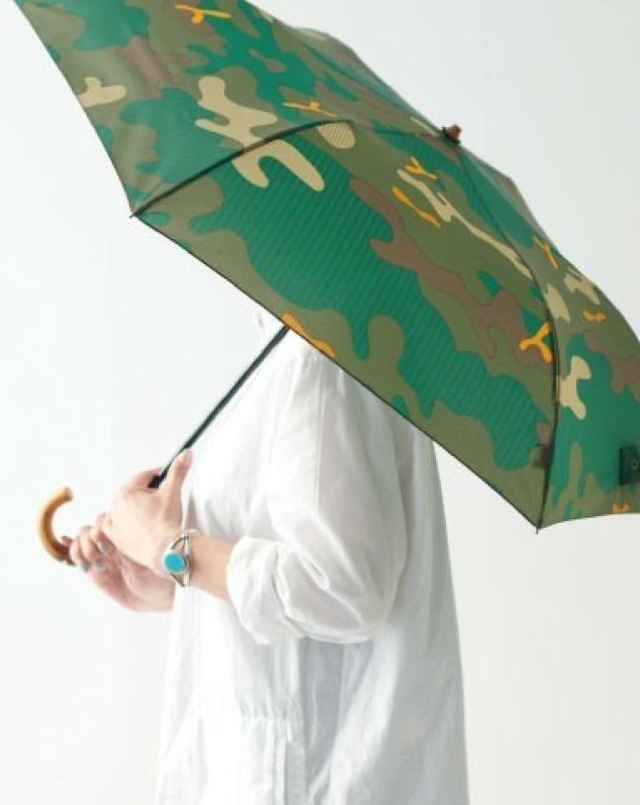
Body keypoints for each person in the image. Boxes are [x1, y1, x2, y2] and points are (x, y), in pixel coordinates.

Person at [64, 303, 470, 804]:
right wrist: (174, 586)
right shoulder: (288, 354)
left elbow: (341, 588)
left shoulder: (317, 360)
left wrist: (172, 549)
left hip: (318, 779)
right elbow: (296, 570)